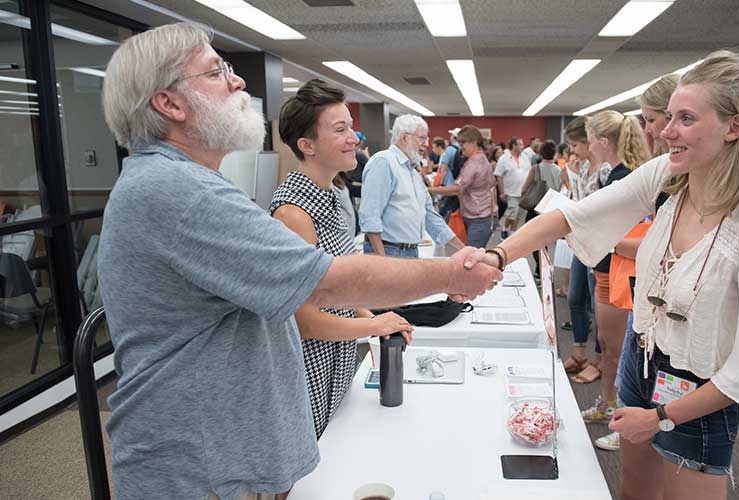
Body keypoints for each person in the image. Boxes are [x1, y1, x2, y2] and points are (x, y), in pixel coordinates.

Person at [98, 23, 500, 500]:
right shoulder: (178, 191)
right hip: (199, 461)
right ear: (170, 104)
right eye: (216, 71)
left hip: (217, 450)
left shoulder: (187, 183)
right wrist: (454, 273)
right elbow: (325, 285)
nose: (238, 81)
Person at [467, 49, 739, 500]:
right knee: (635, 491)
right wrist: (497, 257)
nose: (665, 131)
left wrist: (660, 417)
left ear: (734, 127)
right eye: (668, 116)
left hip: (698, 393)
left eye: (686, 119)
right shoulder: (668, 177)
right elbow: (571, 218)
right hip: (643, 360)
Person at [271, 79, 415, 438]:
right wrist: (374, 326)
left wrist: (376, 317)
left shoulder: (333, 195)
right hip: (308, 367)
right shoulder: (293, 213)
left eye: (351, 127)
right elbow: (304, 320)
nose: (355, 138)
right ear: (307, 145)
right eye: (340, 129)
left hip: (337, 356)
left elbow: (340, 290)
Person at [595, 73, 679, 452]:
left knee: (637, 359)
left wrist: (606, 240)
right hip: (650, 292)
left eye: (652, 119)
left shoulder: (667, 173)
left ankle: (635, 419)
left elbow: (648, 242)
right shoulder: (662, 171)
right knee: (633, 359)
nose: (652, 129)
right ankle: (627, 416)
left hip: (658, 293)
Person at [578, 110, 650, 426]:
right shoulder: (616, 175)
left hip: (621, 272)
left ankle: (622, 417)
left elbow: (616, 232)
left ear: (603, 141)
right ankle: (608, 405)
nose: (588, 146)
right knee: (609, 348)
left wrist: (594, 235)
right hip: (608, 270)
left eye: (591, 140)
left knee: (620, 352)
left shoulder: (625, 178)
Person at [359, 115, 464, 257]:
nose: (427, 144)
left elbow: (431, 217)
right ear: (404, 138)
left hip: (410, 251)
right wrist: (382, 260)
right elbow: (370, 216)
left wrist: (463, 249)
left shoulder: (413, 172)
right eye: (422, 138)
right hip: (389, 251)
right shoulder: (384, 162)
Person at [560, 117, 600, 383]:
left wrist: (574, 178)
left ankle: (599, 360)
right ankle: (578, 352)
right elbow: (576, 204)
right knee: (575, 298)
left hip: (598, 247)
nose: (572, 151)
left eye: (575, 145)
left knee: (598, 307)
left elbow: (589, 208)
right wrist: (573, 178)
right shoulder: (583, 167)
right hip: (581, 243)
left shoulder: (605, 170)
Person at [427, 125, 497, 248]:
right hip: (480, 216)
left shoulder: (475, 162)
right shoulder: (478, 159)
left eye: (463, 142)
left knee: (471, 257)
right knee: (472, 254)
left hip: (479, 218)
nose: (461, 146)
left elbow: (456, 189)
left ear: (474, 142)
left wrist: (429, 190)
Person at [520, 139, 566, 277]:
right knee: (546, 240)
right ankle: (545, 267)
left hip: (535, 208)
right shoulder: (560, 170)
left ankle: (539, 270)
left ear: (540, 153)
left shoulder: (536, 169)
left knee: (535, 240)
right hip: (551, 210)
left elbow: (524, 188)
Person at [495, 136, 532, 235]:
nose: (522, 146)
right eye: (520, 144)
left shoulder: (525, 157)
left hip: (523, 191)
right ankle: (505, 228)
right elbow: (499, 175)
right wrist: (501, 192)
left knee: (519, 214)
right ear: (513, 146)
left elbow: (529, 172)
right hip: (510, 191)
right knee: (512, 214)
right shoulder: (504, 158)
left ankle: (512, 232)